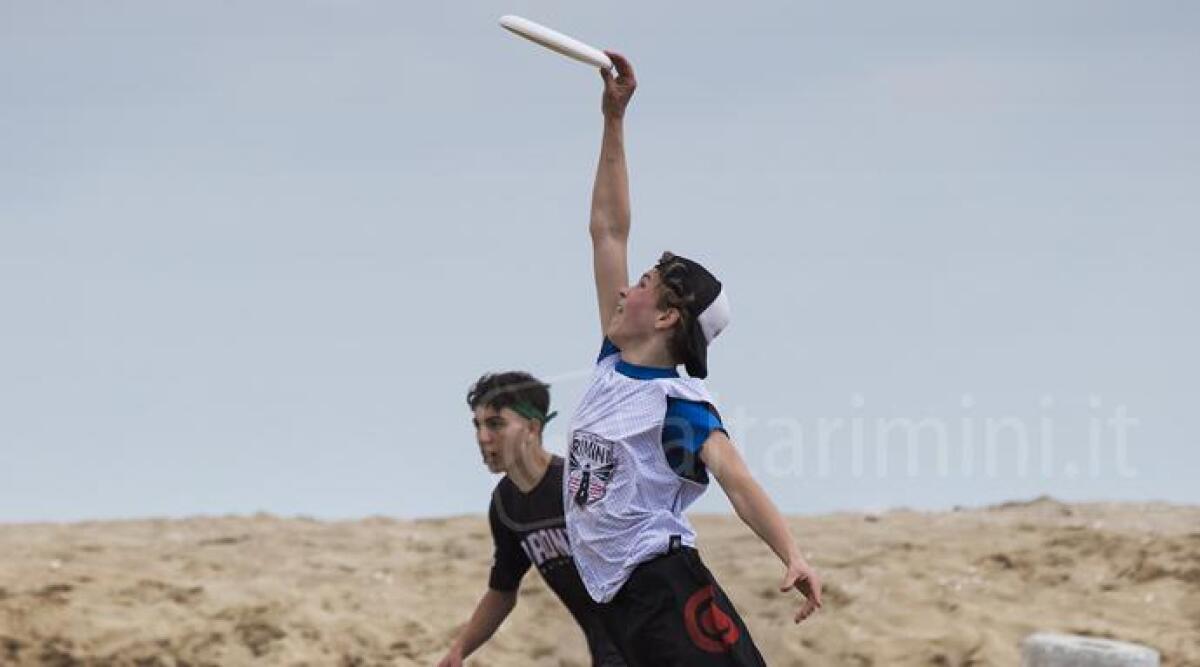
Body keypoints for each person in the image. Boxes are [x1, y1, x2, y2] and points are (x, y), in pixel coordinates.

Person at [561, 51, 824, 666]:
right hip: (617, 599)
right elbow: (607, 231)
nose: (626, 288)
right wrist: (613, 119)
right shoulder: (610, 359)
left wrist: (792, 554)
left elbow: (738, 479)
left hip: (667, 590)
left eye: (644, 282)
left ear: (666, 317)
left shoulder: (677, 406)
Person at [437, 372, 625, 667]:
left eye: (496, 424)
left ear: (532, 428)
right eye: (478, 425)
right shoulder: (505, 506)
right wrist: (459, 650)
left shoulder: (579, 486)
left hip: (651, 635)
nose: (483, 437)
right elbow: (502, 591)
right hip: (605, 647)